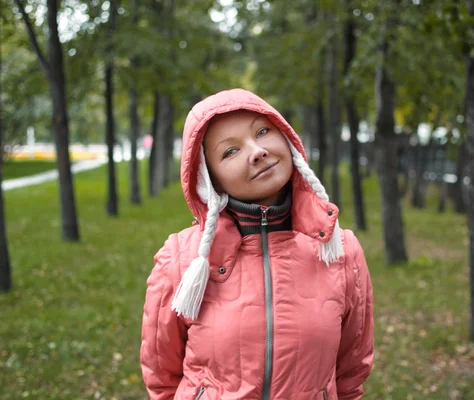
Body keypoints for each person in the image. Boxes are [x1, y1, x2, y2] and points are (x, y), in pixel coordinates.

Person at [140, 88, 374, 400]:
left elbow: (351, 372)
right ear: (210, 179)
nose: (257, 151)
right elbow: (161, 377)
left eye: (262, 132)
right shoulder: (181, 258)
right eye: (230, 152)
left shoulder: (339, 250)